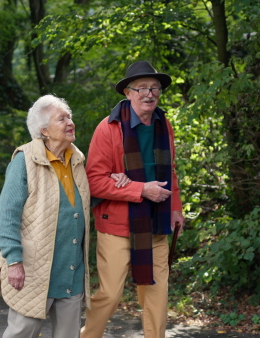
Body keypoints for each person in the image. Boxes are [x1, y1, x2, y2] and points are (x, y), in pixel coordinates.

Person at [0, 94, 130, 338]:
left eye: (70, 117)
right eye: (61, 118)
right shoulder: (24, 160)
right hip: (33, 269)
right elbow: (6, 215)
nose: (69, 122)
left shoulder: (75, 159)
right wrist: (13, 261)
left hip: (71, 269)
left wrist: (111, 181)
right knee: (23, 332)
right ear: (44, 130)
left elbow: (82, 201)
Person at [81, 61, 185, 338]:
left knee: (157, 296)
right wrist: (140, 190)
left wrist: (176, 209)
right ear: (127, 93)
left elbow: (170, 172)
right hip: (116, 226)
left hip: (157, 224)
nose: (149, 94)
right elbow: (94, 181)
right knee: (110, 294)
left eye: (154, 88)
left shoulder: (165, 125)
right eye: (141, 88)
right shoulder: (108, 128)